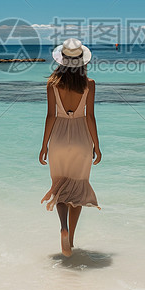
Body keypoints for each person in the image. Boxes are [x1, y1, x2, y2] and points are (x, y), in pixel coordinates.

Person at [39, 38, 102, 257]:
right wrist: (97, 146)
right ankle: (71, 240)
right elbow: (90, 117)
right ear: (82, 61)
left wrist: (44, 146)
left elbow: (50, 116)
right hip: (81, 137)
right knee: (78, 188)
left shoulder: (52, 83)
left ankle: (63, 228)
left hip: (58, 137)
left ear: (62, 60)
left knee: (60, 187)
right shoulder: (89, 84)